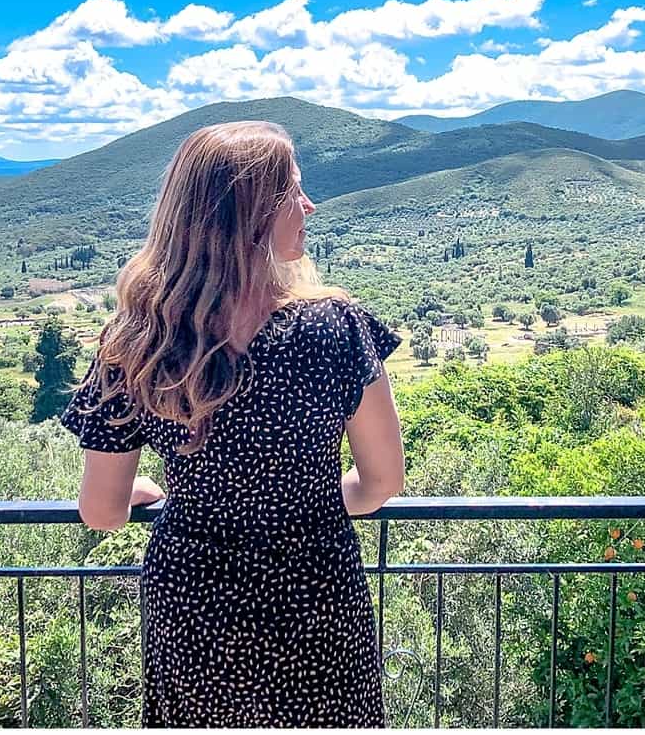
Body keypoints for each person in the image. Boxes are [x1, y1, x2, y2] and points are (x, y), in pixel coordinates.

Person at [59, 120, 405, 727]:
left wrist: (155, 495)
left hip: (195, 612)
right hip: (317, 602)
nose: (308, 205)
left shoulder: (139, 342)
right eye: (293, 191)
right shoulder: (337, 330)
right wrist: (309, 501)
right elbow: (380, 484)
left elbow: (101, 511)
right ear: (251, 212)